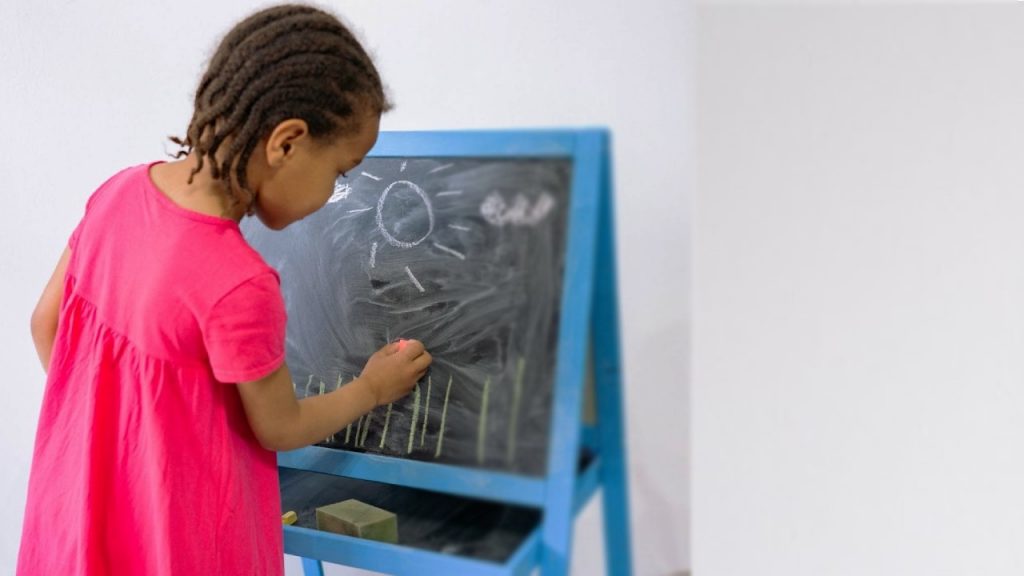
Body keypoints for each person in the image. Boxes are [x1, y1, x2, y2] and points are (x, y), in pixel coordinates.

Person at [18, 4, 430, 574]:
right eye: (339, 171)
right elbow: (279, 426)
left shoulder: (115, 194)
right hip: (181, 540)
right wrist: (371, 390)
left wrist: (111, 436)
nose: (336, 189)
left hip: (81, 517)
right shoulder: (239, 283)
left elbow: (47, 324)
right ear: (287, 143)